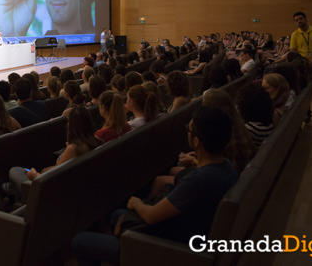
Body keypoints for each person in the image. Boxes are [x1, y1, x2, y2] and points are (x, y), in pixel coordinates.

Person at [71, 106, 238, 266]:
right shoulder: (226, 167)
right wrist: (195, 161)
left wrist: (137, 203)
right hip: (180, 230)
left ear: (196, 141)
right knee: (116, 215)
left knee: (79, 241)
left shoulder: (198, 181)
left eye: (190, 129)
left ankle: (124, 251)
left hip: (163, 246)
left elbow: (151, 216)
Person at [8, 106, 102, 200]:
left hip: (53, 194)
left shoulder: (74, 148)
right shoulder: (96, 141)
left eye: (68, 121)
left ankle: (12, 194)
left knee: (15, 170)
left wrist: (35, 175)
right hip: (75, 188)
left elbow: (55, 177)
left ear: (73, 125)